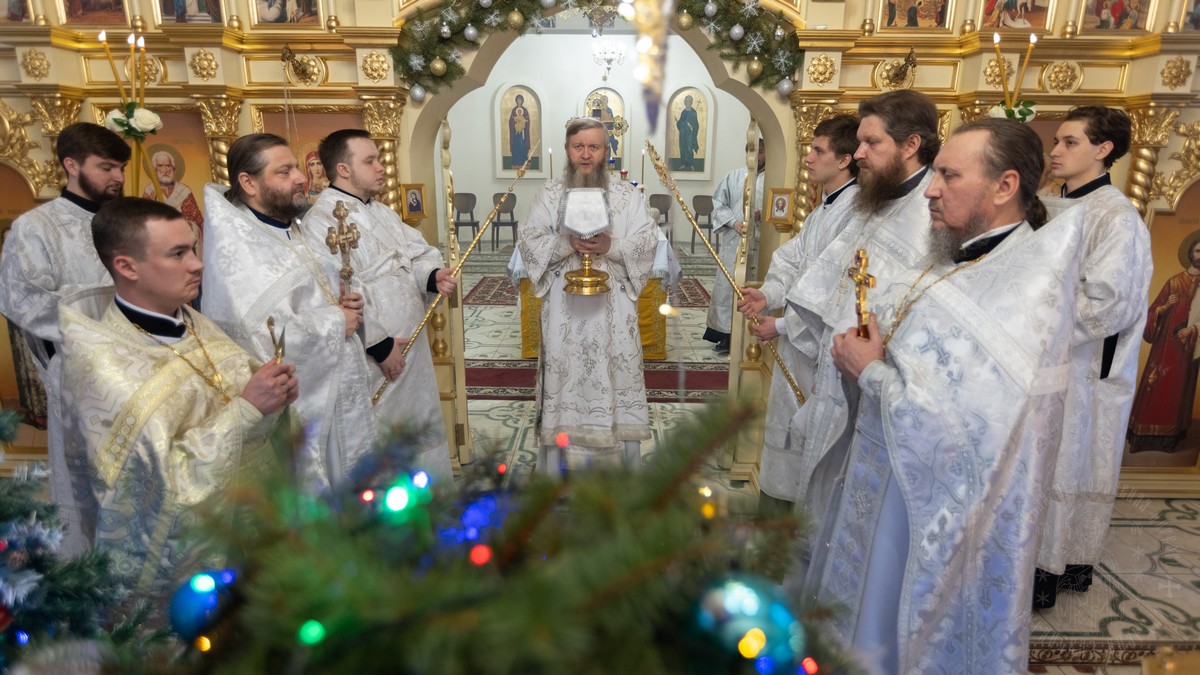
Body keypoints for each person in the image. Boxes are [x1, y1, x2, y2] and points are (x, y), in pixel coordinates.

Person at [812, 118, 1083, 673]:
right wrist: (869, 352)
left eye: (949, 176)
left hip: (930, 516)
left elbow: (968, 430)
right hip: (886, 487)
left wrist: (871, 373)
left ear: (1005, 186)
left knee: (899, 632)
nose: (930, 190)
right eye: (934, 173)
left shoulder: (1028, 287)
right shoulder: (956, 255)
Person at [57, 197, 297, 602]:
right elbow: (156, 492)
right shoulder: (102, 367)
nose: (198, 264)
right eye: (178, 254)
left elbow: (243, 402)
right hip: (190, 586)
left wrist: (275, 399)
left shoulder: (192, 322)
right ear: (127, 267)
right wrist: (247, 410)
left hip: (254, 535)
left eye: (194, 249)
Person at [782, 89, 939, 529]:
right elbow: (827, 283)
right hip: (839, 372)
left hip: (881, 387)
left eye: (872, 142)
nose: (860, 153)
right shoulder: (876, 200)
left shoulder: (931, 214)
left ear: (910, 144)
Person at [200, 133, 376, 491]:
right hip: (299, 412)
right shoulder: (239, 252)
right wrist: (335, 320)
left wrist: (344, 305)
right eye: (285, 172)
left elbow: (308, 298)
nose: (300, 178)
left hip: (334, 393)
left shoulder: (289, 228)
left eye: (296, 167)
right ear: (248, 182)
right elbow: (257, 341)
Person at [1033, 105, 1153, 608]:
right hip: (1036, 362)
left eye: (1070, 142)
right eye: (1056, 141)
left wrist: (1036, 323)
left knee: (1066, 460)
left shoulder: (1116, 217)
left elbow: (1109, 304)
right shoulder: (1045, 204)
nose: (1056, 151)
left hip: (1080, 368)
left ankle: (1049, 567)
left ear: (1103, 150)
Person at [0, 121, 130, 555]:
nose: (118, 177)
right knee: (86, 484)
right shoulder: (36, 227)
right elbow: (24, 298)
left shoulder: (127, 221)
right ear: (72, 165)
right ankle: (87, 573)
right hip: (80, 374)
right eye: (107, 167)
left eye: (121, 167)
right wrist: (110, 312)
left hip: (144, 370)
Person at [302, 129, 456, 481]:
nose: (381, 167)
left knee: (417, 431)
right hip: (375, 358)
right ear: (344, 169)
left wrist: (432, 276)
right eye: (370, 161)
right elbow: (334, 293)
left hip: (412, 348)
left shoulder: (382, 212)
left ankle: (428, 503)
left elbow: (416, 253)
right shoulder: (322, 222)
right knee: (387, 440)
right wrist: (380, 344)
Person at [516, 117, 658, 476]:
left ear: (606, 151)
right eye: (578, 146)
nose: (585, 154)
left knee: (615, 376)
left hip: (613, 312)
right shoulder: (549, 194)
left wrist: (611, 246)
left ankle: (620, 474)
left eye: (593, 147)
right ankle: (557, 472)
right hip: (563, 312)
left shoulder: (627, 196)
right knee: (565, 380)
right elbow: (529, 241)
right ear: (567, 150)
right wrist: (567, 243)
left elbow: (646, 242)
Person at [735, 115, 860, 515]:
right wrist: (767, 294)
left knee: (809, 444)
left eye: (818, 151)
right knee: (789, 435)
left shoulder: (856, 213)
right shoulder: (827, 208)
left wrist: (781, 325)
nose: (808, 159)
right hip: (799, 346)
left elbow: (835, 293)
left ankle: (795, 532)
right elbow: (794, 260)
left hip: (819, 352)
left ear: (844, 160)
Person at [1127, 234, 1200, 452]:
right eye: (1198, 251)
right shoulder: (1174, 282)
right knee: (1155, 385)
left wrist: (1194, 329)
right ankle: (1140, 436)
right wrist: (1164, 307)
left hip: (1188, 348)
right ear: (1190, 254)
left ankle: (1170, 437)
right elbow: (1151, 313)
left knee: (1179, 391)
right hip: (1165, 347)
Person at [703, 139, 765, 355]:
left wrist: (762, 213)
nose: (755, 156)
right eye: (751, 151)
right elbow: (719, 204)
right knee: (728, 287)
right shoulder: (734, 177)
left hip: (761, 243)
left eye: (760, 152)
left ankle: (752, 333)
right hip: (734, 242)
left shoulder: (774, 178)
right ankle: (726, 334)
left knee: (753, 288)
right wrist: (733, 222)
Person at [142, 150, 205, 234]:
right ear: (155, 169)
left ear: (173, 168)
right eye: (160, 166)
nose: (165, 170)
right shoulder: (150, 191)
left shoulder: (184, 191)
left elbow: (197, 220)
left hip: (181, 234)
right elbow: (144, 221)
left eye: (168, 166)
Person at [675, 95, 700, 171]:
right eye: (686, 101)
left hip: (690, 135)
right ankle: (683, 164)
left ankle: (691, 164)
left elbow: (696, 124)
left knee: (689, 149)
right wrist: (678, 122)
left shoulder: (693, 112)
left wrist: (693, 127)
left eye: (689, 101)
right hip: (683, 134)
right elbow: (681, 122)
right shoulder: (683, 112)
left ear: (691, 102)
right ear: (685, 102)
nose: (688, 102)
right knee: (682, 148)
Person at [509, 94, 530, 168]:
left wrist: (523, 123)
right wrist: (515, 122)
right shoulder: (514, 110)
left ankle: (523, 162)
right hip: (516, 133)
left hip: (523, 133)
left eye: (520, 100)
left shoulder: (525, 110)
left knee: (522, 146)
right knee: (516, 146)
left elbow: (527, 120)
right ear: (516, 101)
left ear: (522, 101)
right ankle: (516, 162)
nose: (519, 101)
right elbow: (511, 121)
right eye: (518, 100)